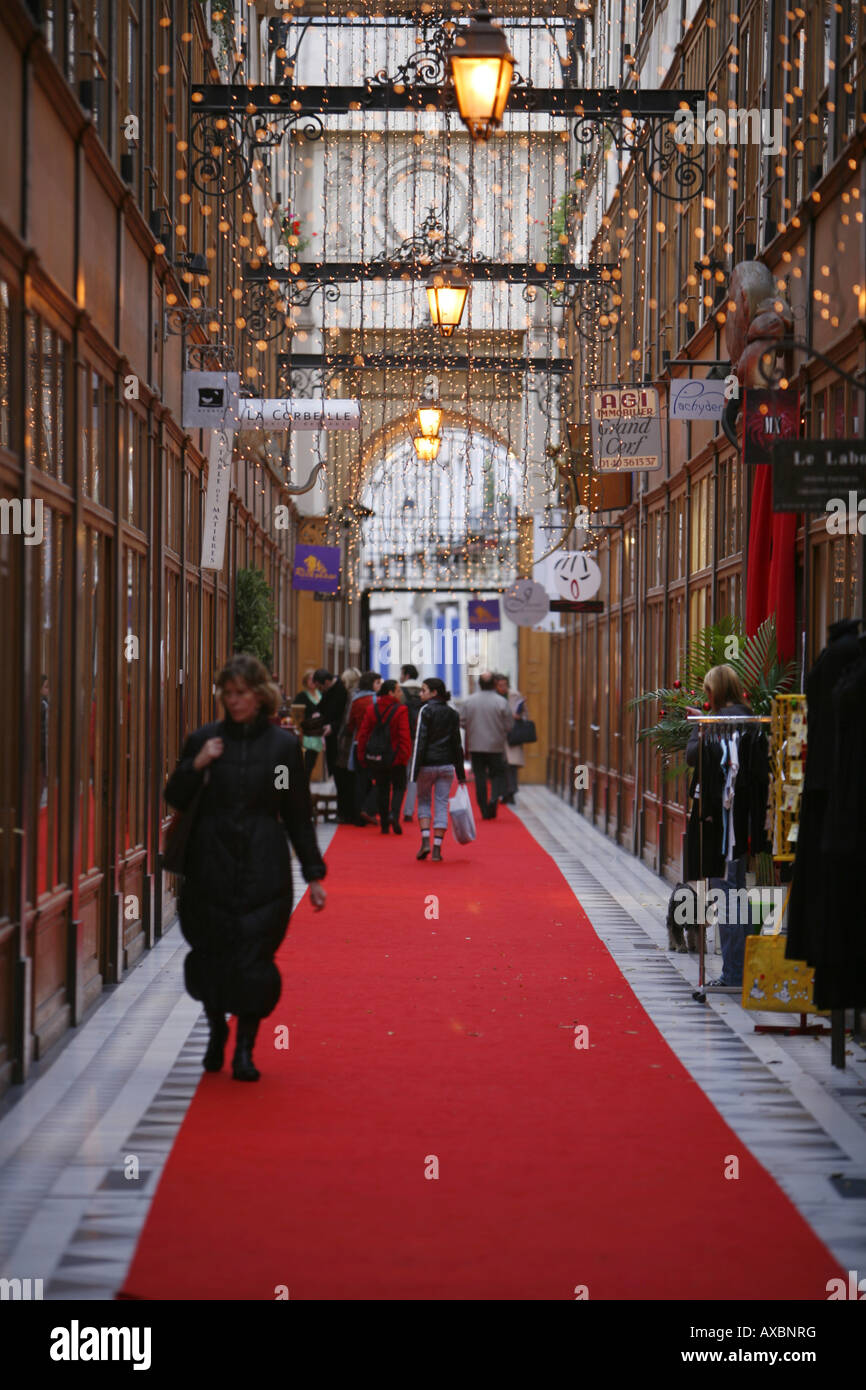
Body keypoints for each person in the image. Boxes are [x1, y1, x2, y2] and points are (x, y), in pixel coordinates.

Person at [164, 653, 327, 1082]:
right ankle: (218, 1031)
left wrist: (313, 874)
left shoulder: (280, 749)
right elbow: (175, 798)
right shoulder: (205, 740)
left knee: (254, 958)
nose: (233, 701)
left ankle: (246, 1051)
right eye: (227, 693)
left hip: (262, 863)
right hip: (210, 863)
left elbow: (292, 809)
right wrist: (196, 765)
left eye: (241, 693)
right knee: (214, 954)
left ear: (260, 695)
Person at [685, 663, 766, 989]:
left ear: (714, 692)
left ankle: (734, 973)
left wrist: (698, 728)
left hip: (724, 824)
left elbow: (696, 757)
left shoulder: (721, 724)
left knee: (727, 892)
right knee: (738, 894)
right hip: (745, 820)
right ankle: (743, 971)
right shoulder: (749, 720)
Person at [408, 677, 466, 862]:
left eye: (423, 690)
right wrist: (461, 773)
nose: (420, 693)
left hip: (427, 764)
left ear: (434, 693)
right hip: (447, 765)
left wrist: (413, 771)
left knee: (424, 801)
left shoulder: (425, 710)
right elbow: (457, 744)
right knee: (441, 803)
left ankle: (425, 840)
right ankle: (437, 848)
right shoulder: (452, 713)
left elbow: (420, 741)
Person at [357, 679, 411, 834]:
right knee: (399, 787)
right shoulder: (401, 710)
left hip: (377, 756)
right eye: (399, 690)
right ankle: (394, 813)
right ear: (391, 693)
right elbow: (404, 735)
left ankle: (385, 823)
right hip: (396, 756)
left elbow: (363, 734)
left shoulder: (372, 709)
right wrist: (403, 756)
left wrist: (362, 755)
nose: (401, 693)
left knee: (382, 788)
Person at [460, 670, 513, 820]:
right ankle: (493, 798)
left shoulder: (469, 701)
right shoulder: (500, 701)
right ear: (494, 684)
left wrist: (473, 728)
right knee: (497, 774)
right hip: (496, 745)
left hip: (476, 745)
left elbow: (462, 721)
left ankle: (483, 806)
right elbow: (509, 725)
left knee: (480, 776)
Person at [344, 671, 382, 823]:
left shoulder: (356, 700)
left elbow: (350, 724)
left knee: (360, 781)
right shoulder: (374, 700)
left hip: (357, 742)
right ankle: (369, 809)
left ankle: (358, 814)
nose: (380, 686)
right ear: (371, 684)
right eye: (378, 683)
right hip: (372, 743)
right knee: (379, 779)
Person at [495, 672, 528, 804]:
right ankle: (503, 792)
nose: (502, 687)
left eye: (504, 685)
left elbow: (525, 713)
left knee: (511, 765)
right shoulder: (493, 697)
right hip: (498, 734)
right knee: (500, 765)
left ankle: (511, 792)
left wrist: (519, 717)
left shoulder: (515, 695)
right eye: (500, 685)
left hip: (512, 734)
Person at [400, 664, 424, 823]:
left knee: (400, 773)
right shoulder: (424, 691)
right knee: (414, 775)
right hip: (420, 737)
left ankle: (395, 807)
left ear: (406, 675)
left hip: (403, 736)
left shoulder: (400, 691)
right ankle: (409, 810)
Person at [293, 668, 324, 782]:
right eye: (310, 679)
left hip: (318, 733)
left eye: (314, 679)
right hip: (307, 734)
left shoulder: (320, 694)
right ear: (305, 681)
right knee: (306, 765)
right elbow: (297, 714)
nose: (312, 681)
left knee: (313, 763)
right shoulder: (302, 696)